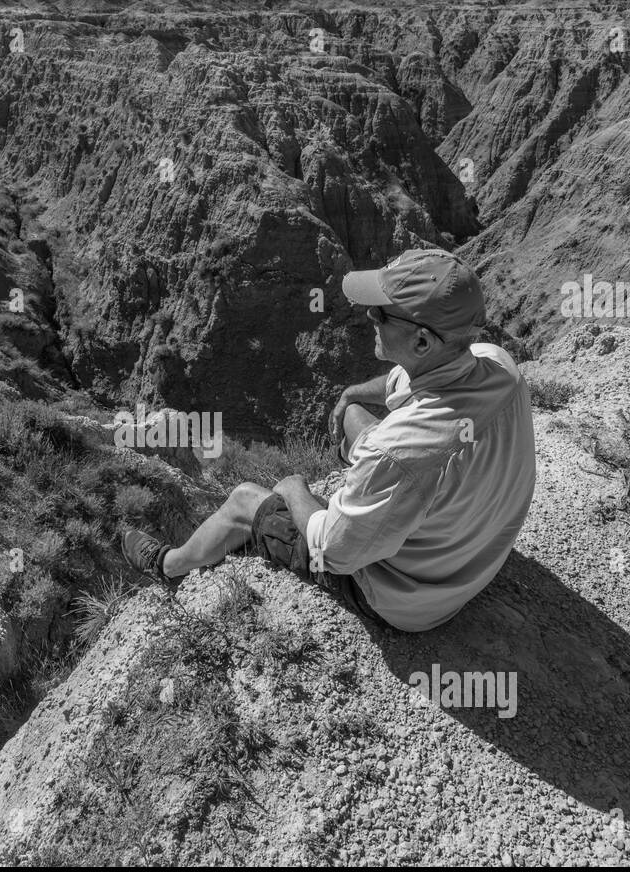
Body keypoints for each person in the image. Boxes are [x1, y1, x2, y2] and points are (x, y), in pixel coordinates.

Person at [120, 248, 536, 633]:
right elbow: (404, 382)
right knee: (355, 418)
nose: (369, 316)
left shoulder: (396, 450)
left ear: (423, 340)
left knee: (246, 499)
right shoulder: (499, 365)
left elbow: (336, 554)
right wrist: (351, 395)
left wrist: (294, 489)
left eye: (382, 313)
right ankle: (367, 493)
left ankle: (167, 565)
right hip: (471, 561)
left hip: (405, 601)